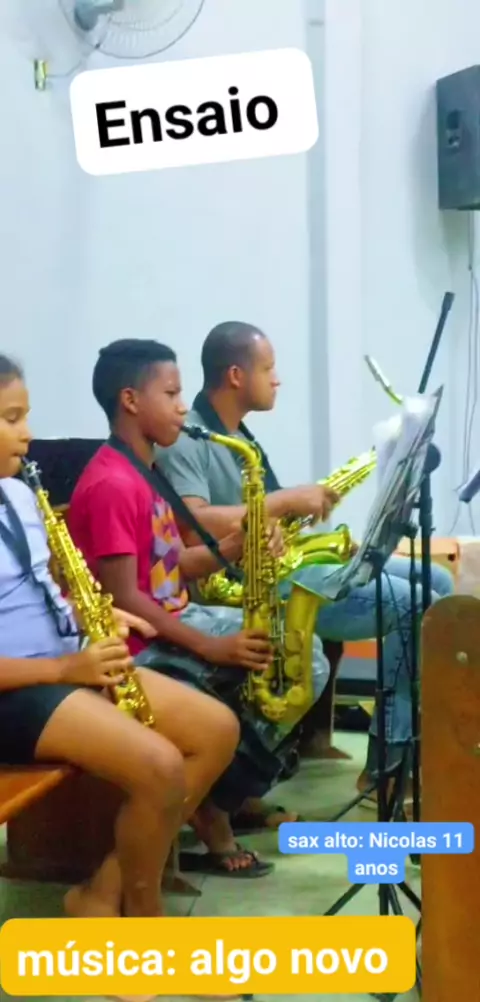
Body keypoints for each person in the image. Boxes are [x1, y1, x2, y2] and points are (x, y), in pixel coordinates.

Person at [0, 351, 243, 978]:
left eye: (24, 416)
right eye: (11, 419)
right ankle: (145, 927)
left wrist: (100, 615)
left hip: (65, 662)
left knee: (216, 730)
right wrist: (65, 672)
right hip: (19, 687)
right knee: (160, 767)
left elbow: (43, 587)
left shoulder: (18, 494)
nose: (27, 434)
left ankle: (103, 892)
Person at [159, 321, 455, 810]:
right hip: (242, 584)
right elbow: (193, 523)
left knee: (437, 579)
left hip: (278, 565)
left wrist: (297, 522)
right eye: (268, 368)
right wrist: (282, 503)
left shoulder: (240, 436)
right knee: (414, 606)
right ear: (235, 375)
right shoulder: (191, 439)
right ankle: (386, 767)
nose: (277, 379)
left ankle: (415, 739)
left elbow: (262, 518)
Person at [67, 339, 331, 877]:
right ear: (130, 400)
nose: (183, 406)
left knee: (305, 654)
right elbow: (125, 597)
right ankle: (216, 805)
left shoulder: (146, 471)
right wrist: (212, 647)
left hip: (172, 621)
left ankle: (219, 794)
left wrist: (234, 547)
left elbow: (170, 566)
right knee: (275, 666)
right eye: (171, 394)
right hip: (137, 646)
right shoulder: (114, 482)